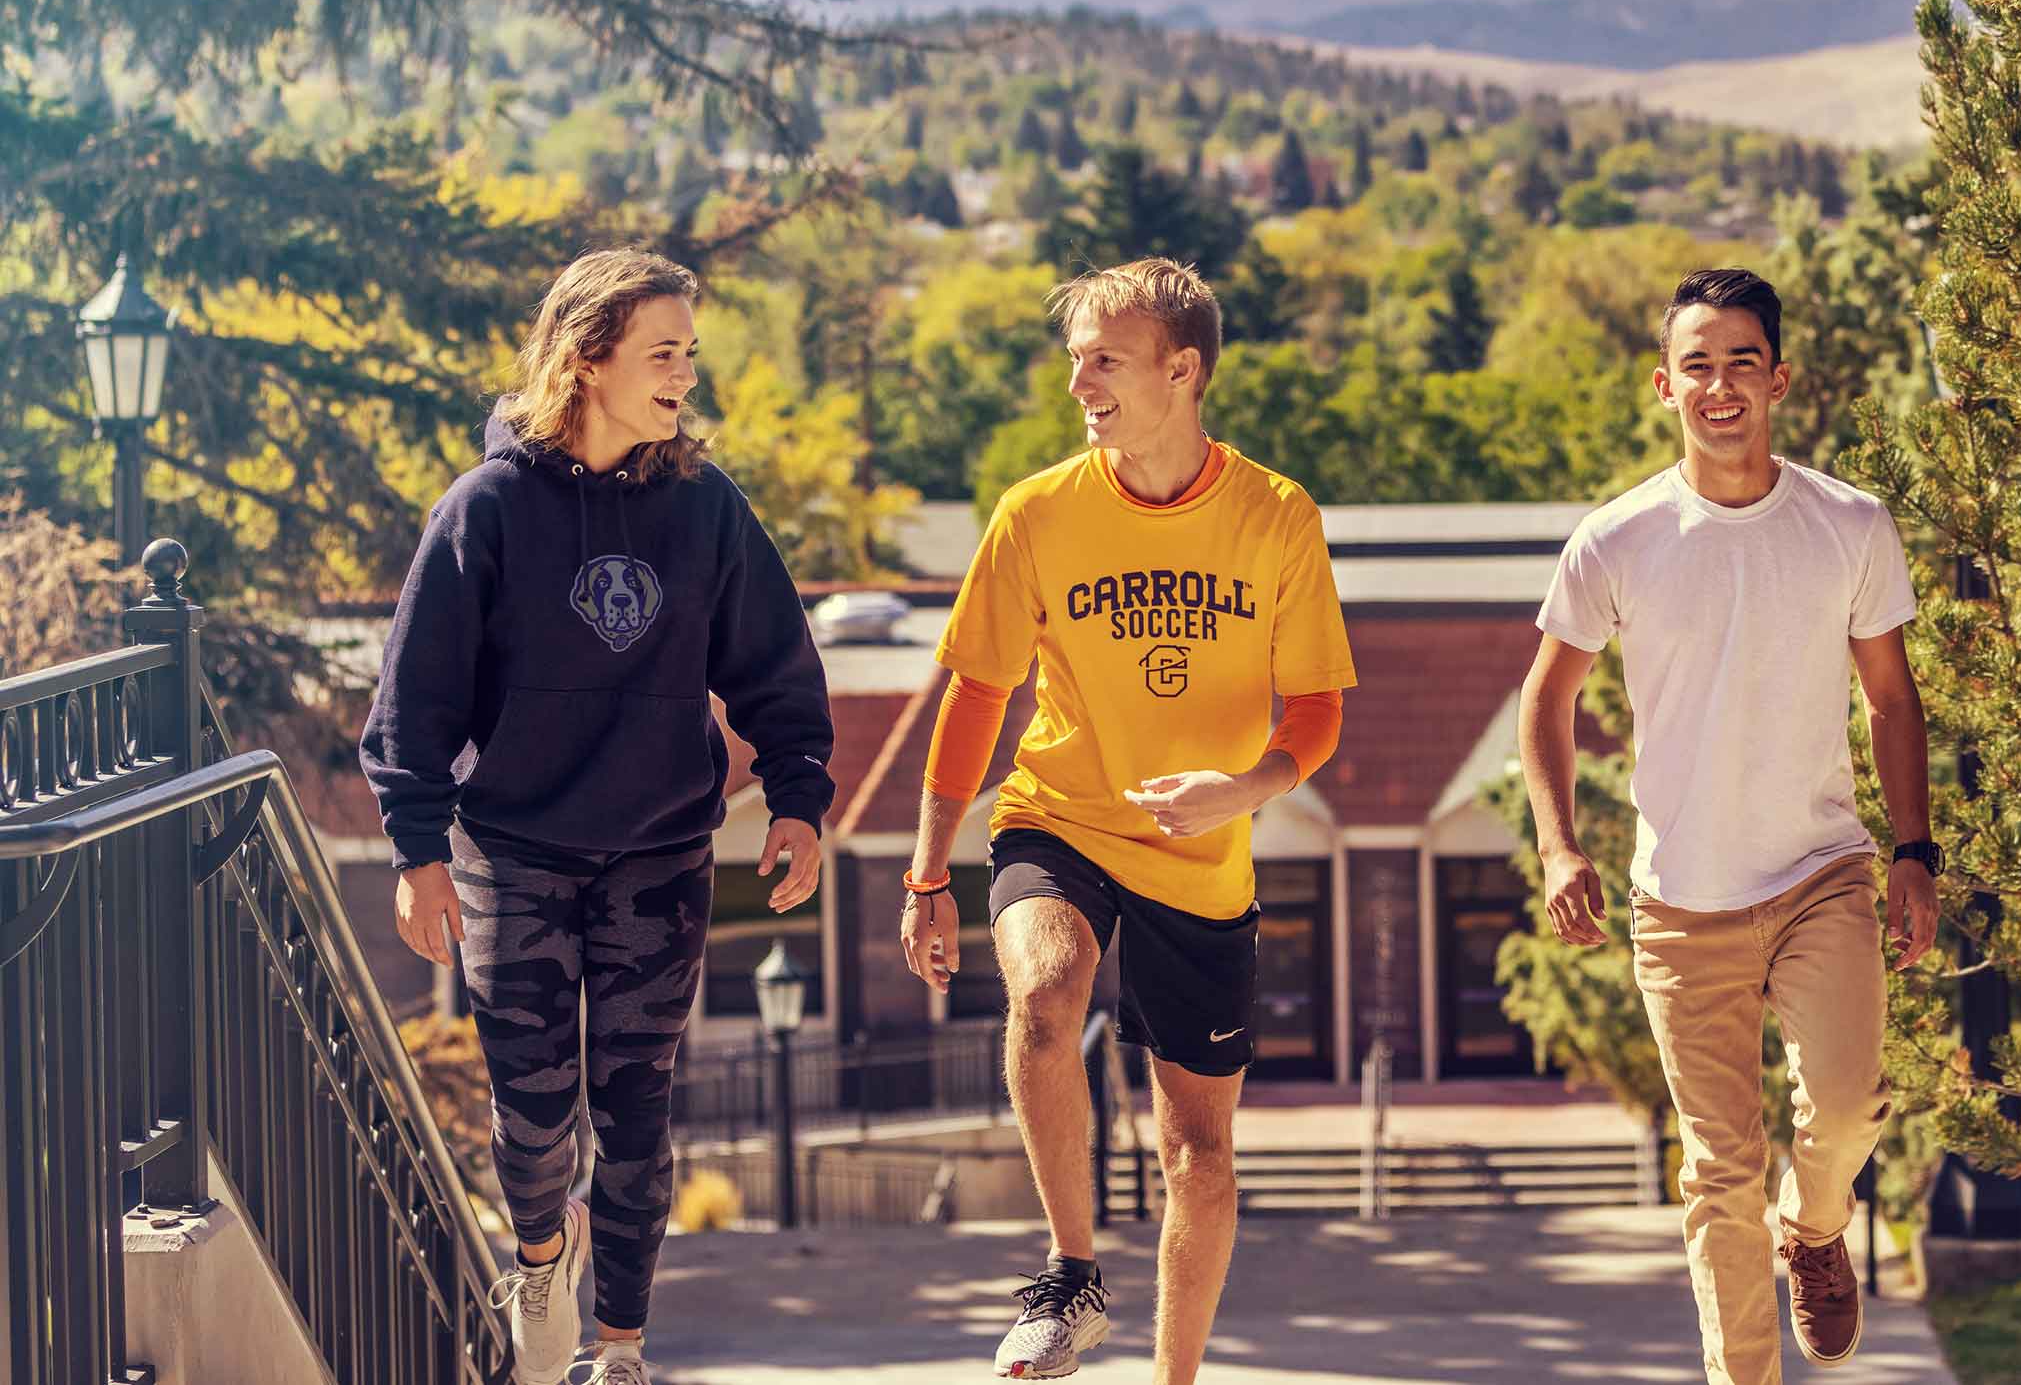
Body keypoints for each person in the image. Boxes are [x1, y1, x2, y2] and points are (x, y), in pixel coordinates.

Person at [360, 249, 834, 1385]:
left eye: (690, 354)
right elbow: (414, 693)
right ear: (588, 359)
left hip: (660, 853)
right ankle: (539, 1259)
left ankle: (618, 1346)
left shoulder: (705, 508)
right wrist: (417, 852)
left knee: (636, 1117)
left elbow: (775, 662)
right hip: (512, 853)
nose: (684, 375)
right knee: (534, 1119)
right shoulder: (488, 509)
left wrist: (799, 796)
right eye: (662, 353)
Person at [901, 257, 1355, 1383]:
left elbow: (1317, 709)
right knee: (1047, 996)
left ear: (1182, 370)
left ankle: (1175, 1376)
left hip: (1203, 864)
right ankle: (1067, 1275)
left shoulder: (1275, 516)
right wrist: (924, 874)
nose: (1080, 384)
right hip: (1059, 818)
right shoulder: (1039, 514)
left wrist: (1246, 789)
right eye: (1075, 360)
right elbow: (976, 692)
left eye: (1105, 360)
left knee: (1198, 1155)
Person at [1517, 268, 1939, 1382]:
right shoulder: (1618, 540)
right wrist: (1562, 845)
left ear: (1779, 380)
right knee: (1715, 1174)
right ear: (1665, 386)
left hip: (1820, 875)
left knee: (1845, 1109)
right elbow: (1546, 699)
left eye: (1741, 361)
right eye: (1697, 364)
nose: (1720, 384)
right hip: (1679, 903)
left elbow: (1893, 700)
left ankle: (1816, 1228)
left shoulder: (1848, 524)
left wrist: (1913, 854)